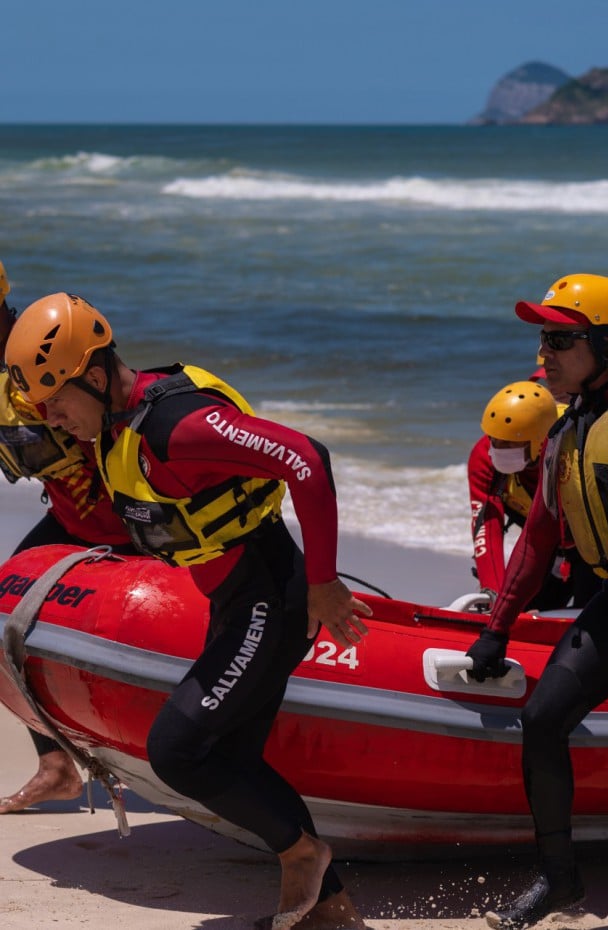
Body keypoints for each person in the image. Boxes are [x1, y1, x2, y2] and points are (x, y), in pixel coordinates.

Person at [5, 292, 372, 930]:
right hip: (235, 604)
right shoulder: (117, 428)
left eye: (58, 406)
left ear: (94, 377)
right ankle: (330, 911)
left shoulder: (178, 425)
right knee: (232, 759)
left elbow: (306, 459)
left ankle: (307, 853)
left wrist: (324, 582)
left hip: (268, 598)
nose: (56, 421)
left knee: (180, 751)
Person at [465, 273, 608, 929]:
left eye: (560, 339)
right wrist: (497, 627)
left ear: (603, 342)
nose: (545, 354)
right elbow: (539, 533)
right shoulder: (567, 429)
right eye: (543, 338)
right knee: (542, 720)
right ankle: (559, 881)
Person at [0, 264, 137, 815]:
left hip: (134, 525)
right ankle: (57, 767)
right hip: (71, 522)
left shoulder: (48, 351)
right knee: (5, 626)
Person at [469, 380, 600, 611]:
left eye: (509, 444)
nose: (498, 450)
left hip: (593, 547)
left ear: (540, 441)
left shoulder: (575, 446)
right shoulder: (485, 454)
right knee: (514, 615)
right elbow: (486, 526)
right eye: (494, 439)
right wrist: (492, 592)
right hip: (543, 545)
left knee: (592, 620)